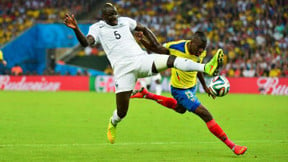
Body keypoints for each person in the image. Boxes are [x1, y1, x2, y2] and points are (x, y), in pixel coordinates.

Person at [64, 3, 223, 144]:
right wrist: (76, 28)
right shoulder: (97, 28)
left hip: (141, 60)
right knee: (122, 112)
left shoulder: (125, 21)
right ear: (104, 17)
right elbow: (86, 42)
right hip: (123, 70)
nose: (115, 19)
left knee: (171, 59)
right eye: (111, 17)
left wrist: (156, 45)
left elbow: (144, 29)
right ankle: (113, 123)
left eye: (116, 15)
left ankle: (206, 68)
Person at [130, 32, 247, 155]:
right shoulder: (176, 47)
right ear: (192, 42)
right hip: (180, 89)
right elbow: (156, 48)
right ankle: (233, 146)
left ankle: (146, 94)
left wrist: (204, 86)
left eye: (203, 49)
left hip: (192, 87)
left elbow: (198, 67)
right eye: (199, 48)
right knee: (205, 114)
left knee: (180, 109)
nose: (201, 51)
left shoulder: (201, 52)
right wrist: (142, 40)